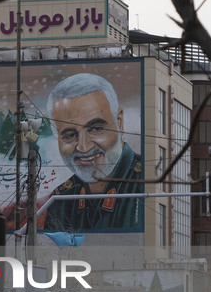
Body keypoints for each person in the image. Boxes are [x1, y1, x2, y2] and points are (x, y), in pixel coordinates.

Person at [43, 73, 143, 234]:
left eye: (96, 129)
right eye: (69, 135)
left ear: (119, 122)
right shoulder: (61, 200)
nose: (83, 147)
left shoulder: (147, 181)